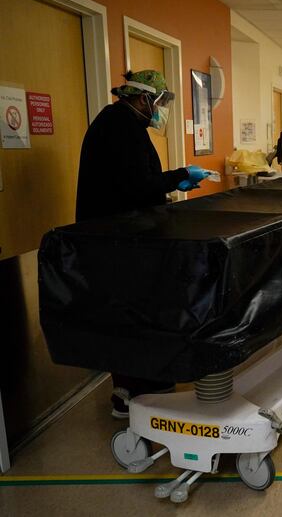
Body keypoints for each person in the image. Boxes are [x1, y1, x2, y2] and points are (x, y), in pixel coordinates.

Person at [75, 70, 211, 418]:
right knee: (128, 311)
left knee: (135, 309)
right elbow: (137, 184)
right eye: (161, 102)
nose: (161, 110)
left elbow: (133, 181)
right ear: (142, 99)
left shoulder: (120, 123)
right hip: (117, 241)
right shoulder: (120, 127)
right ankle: (130, 392)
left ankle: (142, 382)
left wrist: (173, 181)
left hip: (123, 236)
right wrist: (179, 177)